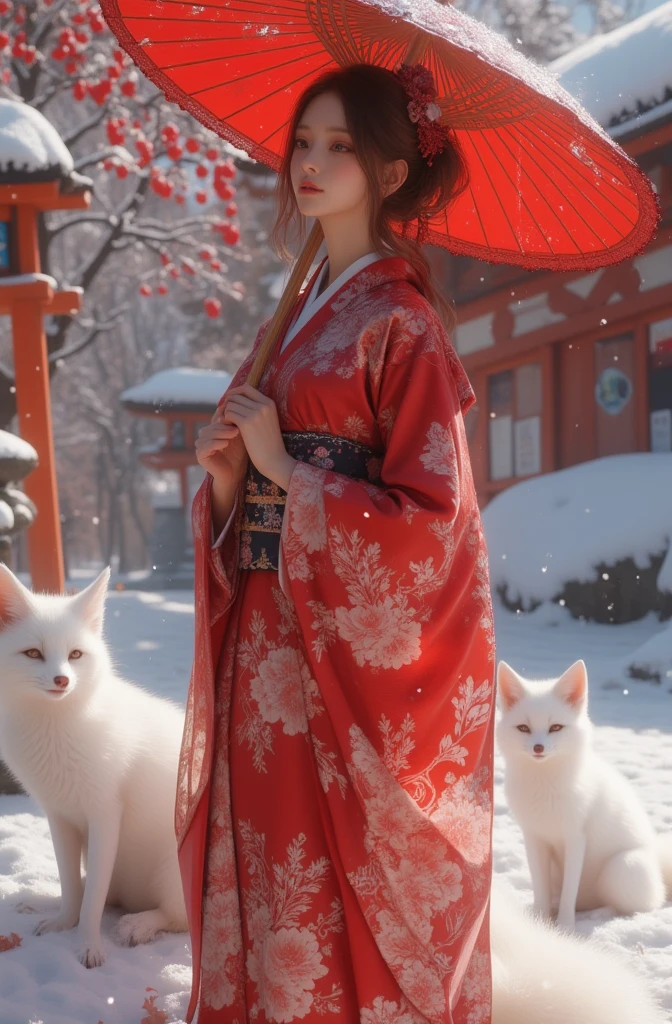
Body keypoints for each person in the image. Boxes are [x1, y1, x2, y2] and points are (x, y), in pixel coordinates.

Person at [178, 62, 496, 1024]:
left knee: (333, 858)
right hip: (270, 632)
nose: (309, 164)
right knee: (273, 851)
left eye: (340, 147)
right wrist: (235, 484)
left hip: (341, 657)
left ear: (392, 174)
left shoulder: (402, 324)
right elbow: (259, 489)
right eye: (302, 144)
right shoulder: (301, 311)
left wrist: (286, 468)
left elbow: (434, 526)